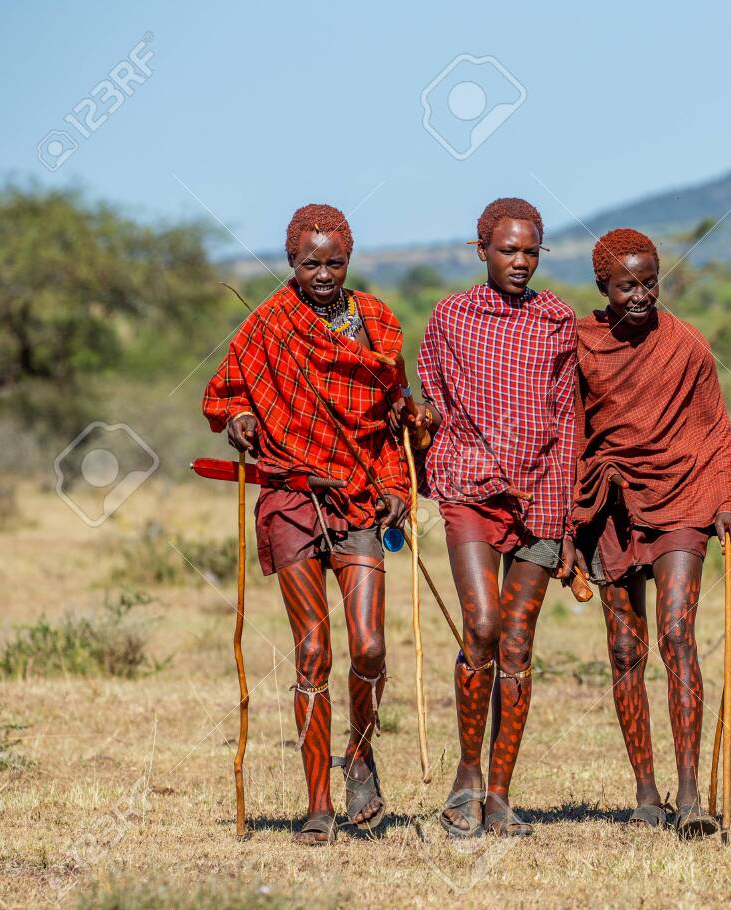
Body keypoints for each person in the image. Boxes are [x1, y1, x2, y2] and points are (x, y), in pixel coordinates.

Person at [203, 203, 426, 845]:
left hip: (359, 499)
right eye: (309, 263)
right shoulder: (267, 324)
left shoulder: (377, 321)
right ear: (290, 263)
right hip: (293, 497)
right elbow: (227, 392)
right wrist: (242, 419)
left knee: (371, 646)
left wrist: (393, 486)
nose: (323, 274)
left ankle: (360, 755)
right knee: (311, 650)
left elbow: (393, 414)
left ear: (348, 260)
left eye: (334, 263)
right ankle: (319, 805)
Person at [571, 228, 731, 838]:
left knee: (676, 636)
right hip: (609, 503)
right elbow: (569, 427)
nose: (641, 295)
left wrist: (726, 499)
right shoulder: (582, 344)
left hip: (684, 496)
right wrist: (568, 521)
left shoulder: (685, 344)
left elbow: (715, 425)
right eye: (627, 285)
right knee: (625, 650)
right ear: (603, 288)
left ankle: (691, 794)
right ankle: (646, 790)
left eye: (650, 282)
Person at [417, 197, 578, 838]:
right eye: (508, 250)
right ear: (480, 249)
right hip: (468, 487)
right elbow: (430, 394)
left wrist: (564, 523)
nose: (520, 261)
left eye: (531, 251)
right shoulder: (451, 317)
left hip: (541, 496)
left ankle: (501, 793)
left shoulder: (557, 319)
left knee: (517, 646)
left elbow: (569, 421)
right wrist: (421, 419)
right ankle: (466, 776)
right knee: (481, 626)